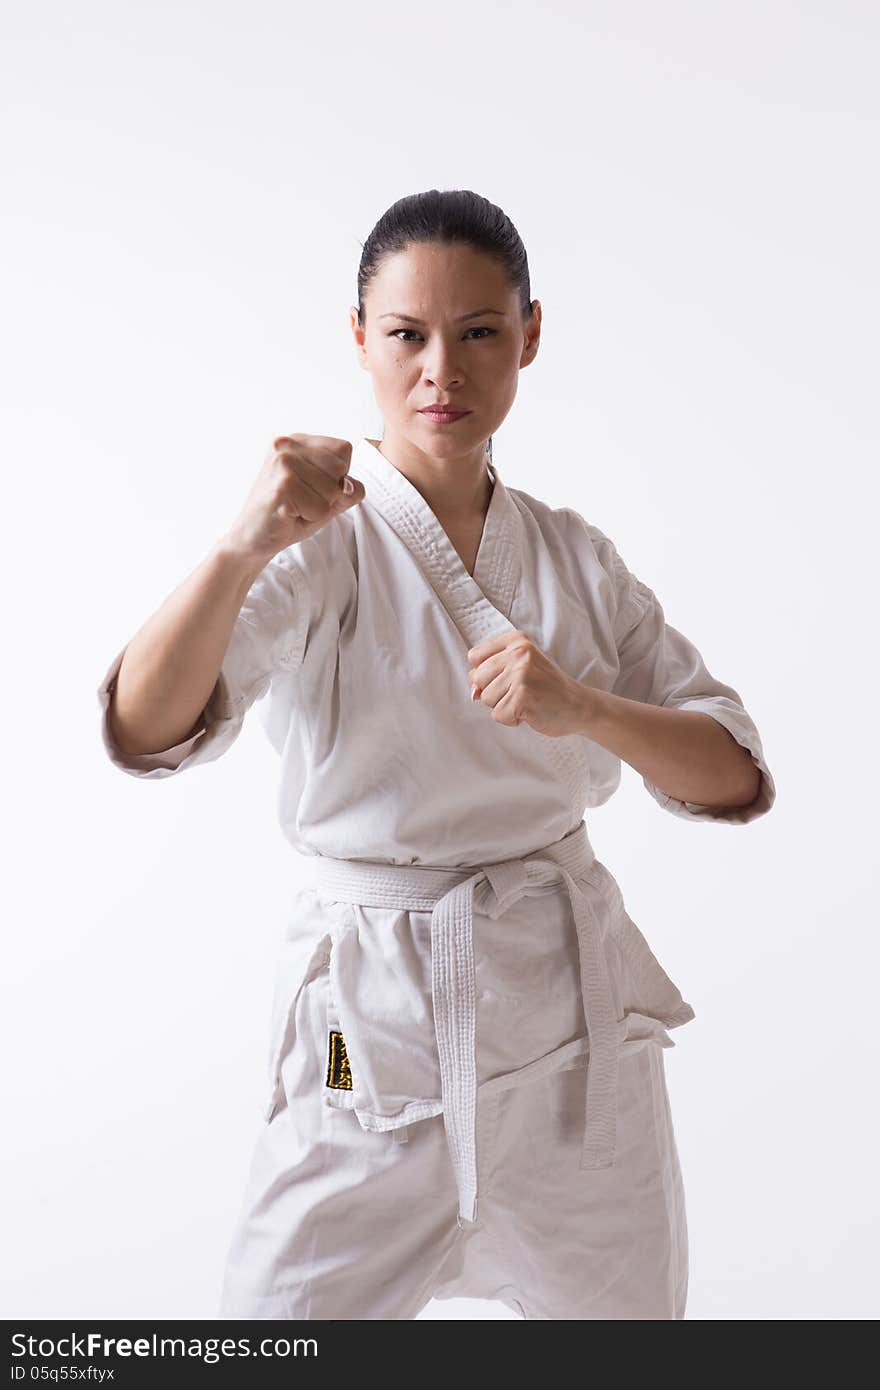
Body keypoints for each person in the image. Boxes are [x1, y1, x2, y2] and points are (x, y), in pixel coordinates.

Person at [96, 189, 776, 1321]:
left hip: (570, 1043)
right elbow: (147, 726)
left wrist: (585, 708)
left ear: (531, 336)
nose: (440, 372)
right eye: (406, 334)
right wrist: (236, 546)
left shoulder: (575, 557)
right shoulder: (317, 549)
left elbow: (733, 773)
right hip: (370, 1035)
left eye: (478, 333)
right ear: (358, 339)